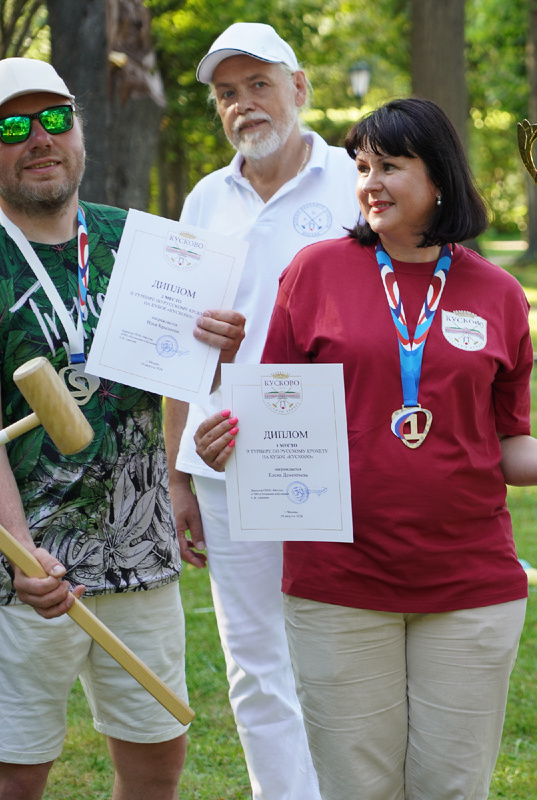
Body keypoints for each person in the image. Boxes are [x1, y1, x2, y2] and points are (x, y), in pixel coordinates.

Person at [192, 97, 537, 800]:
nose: (369, 183)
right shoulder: (314, 272)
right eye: (362, 166)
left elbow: (509, 441)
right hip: (338, 584)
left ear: (440, 178)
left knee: (450, 787)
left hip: (468, 586)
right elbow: (275, 416)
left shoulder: (499, 293)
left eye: (390, 166)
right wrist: (228, 440)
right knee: (357, 788)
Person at [0, 58, 243, 799]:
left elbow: (181, 379)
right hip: (26, 571)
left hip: (139, 548)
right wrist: (20, 555)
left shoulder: (139, 242)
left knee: (157, 759)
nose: (39, 138)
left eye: (55, 119)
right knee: (16, 771)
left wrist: (215, 354)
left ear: (80, 133)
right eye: (13, 126)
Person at [165, 22, 360, 800]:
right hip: (223, 459)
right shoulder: (205, 200)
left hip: (338, 459)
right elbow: (175, 353)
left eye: (258, 86)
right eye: (226, 95)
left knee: (342, 650)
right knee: (254, 661)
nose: (243, 106)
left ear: (299, 88)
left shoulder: (357, 181)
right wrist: (177, 475)